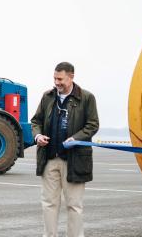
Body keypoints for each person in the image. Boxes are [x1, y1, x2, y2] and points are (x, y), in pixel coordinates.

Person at [30, 62, 99, 237]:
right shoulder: (48, 96)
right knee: (48, 203)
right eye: (54, 78)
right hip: (49, 159)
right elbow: (36, 121)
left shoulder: (87, 98)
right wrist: (38, 136)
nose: (57, 82)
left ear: (71, 77)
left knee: (74, 205)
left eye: (60, 79)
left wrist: (76, 138)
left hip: (74, 161)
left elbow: (93, 125)